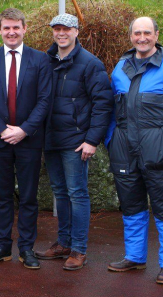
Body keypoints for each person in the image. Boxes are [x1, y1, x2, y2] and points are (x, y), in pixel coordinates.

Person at [35, 14, 113, 270]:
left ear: (76, 31)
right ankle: (64, 243)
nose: (61, 33)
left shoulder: (90, 63)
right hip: (52, 139)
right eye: (57, 29)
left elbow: (103, 104)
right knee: (60, 194)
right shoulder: (46, 60)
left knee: (77, 194)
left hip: (77, 142)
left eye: (66, 29)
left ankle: (79, 249)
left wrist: (92, 140)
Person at [0, 8, 51, 269]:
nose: (11, 32)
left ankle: (27, 248)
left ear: (25, 29)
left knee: (29, 196)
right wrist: (2, 129)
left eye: (16, 27)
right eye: (6, 28)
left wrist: (24, 130)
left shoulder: (40, 59)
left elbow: (44, 100)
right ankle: (2, 245)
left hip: (29, 140)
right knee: (2, 196)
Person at [106, 17, 163, 285]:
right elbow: (111, 110)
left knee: (162, 208)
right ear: (131, 36)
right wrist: (110, 141)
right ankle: (135, 257)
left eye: (147, 33)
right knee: (131, 205)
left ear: (156, 34)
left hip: (157, 151)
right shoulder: (120, 68)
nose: (142, 38)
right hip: (124, 150)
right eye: (137, 33)